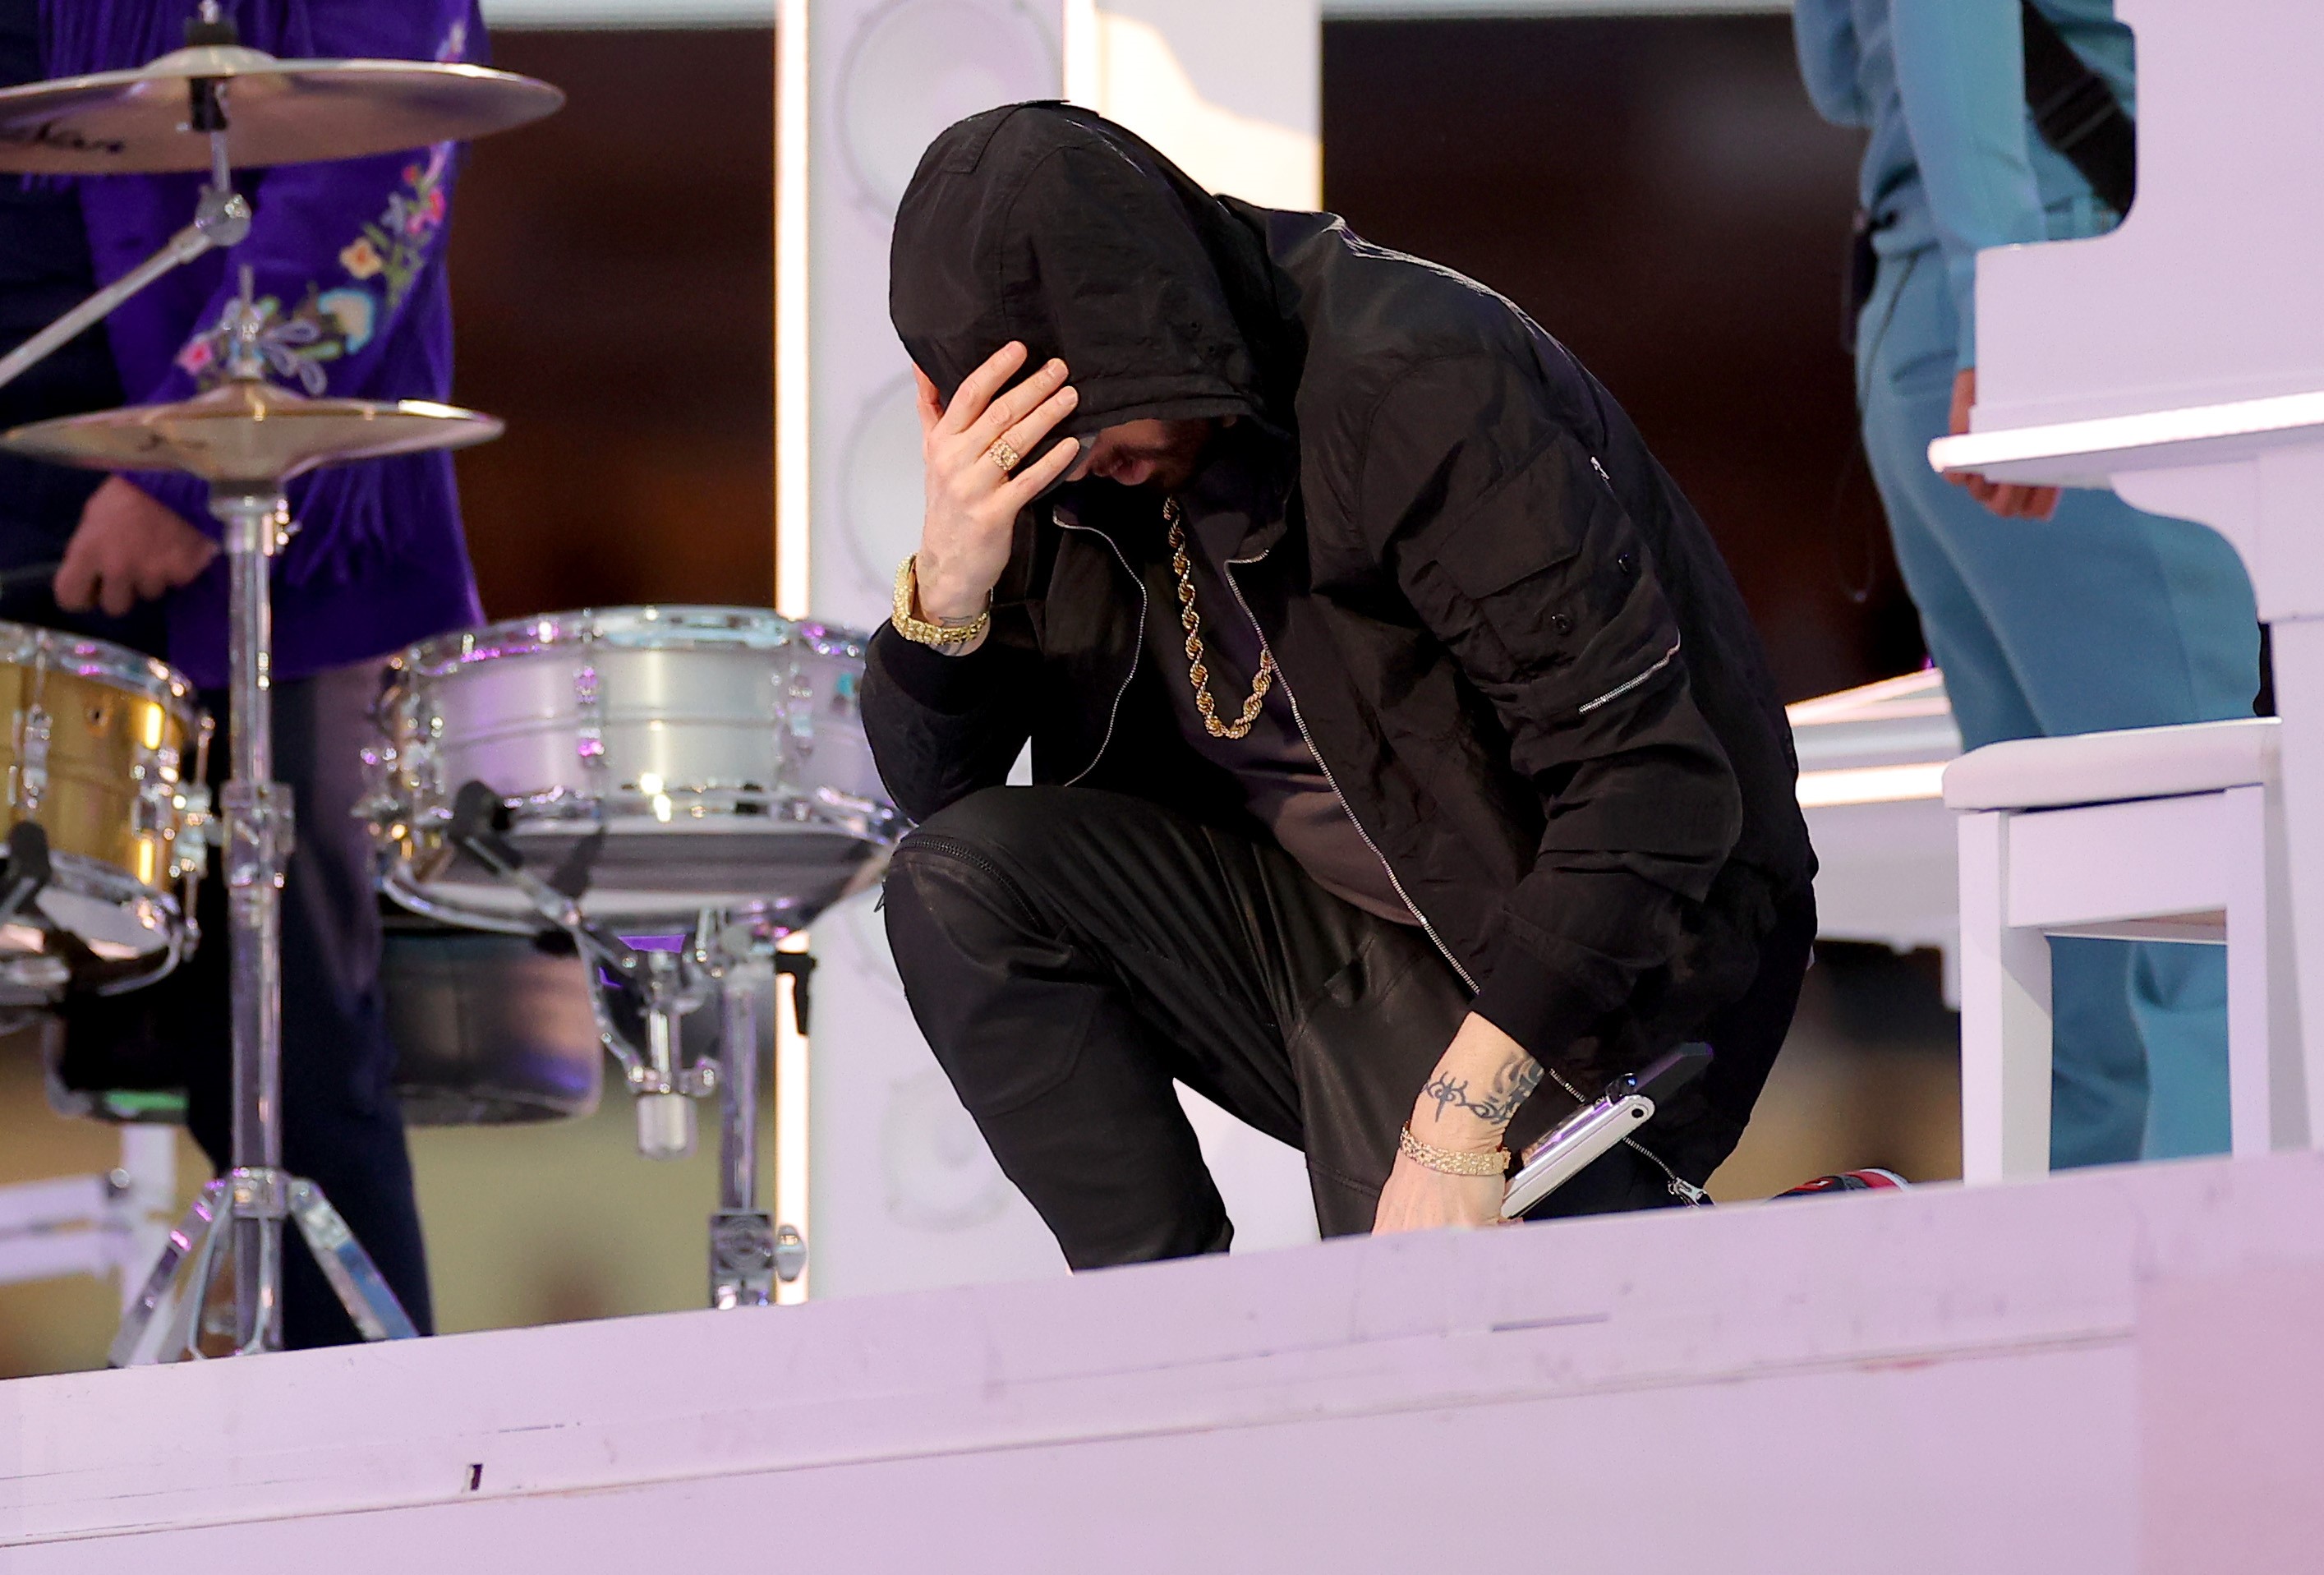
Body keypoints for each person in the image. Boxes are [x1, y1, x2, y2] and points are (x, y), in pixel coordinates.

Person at [863, 104, 1819, 1263]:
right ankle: (1160, 1323)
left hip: (1598, 984)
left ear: (1165, 319)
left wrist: (1457, 1121)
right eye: (1051, 437)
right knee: (956, 880)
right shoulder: (1070, 478)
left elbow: (1652, 787)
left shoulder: (1415, 381)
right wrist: (949, 585)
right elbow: (940, 796)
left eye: (1106, 407)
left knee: (1438, 1335)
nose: (1091, 457)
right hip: (1327, 953)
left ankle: (1799, 1236)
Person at [1, 0, 493, 1345]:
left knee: (287, 1062)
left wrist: (188, 457)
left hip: (237, 511)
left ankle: (362, 1454)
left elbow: (381, 147)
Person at [1794, 0, 2262, 1167]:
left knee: (2089, 944)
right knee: (2215, 901)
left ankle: (2101, 1272)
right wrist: (2009, 310)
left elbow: (1838, 72)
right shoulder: (2026, 308)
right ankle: (2222, 1273)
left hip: (1924, 318)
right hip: (2060, 301)